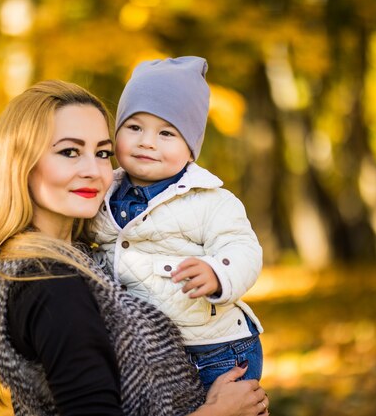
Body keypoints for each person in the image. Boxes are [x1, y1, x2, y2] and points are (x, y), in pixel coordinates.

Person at [0, 79, 270, 415]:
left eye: (102, 153)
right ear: (21, 164)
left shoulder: (74, 260)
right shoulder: (52, 285)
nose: (93, 171)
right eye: (69, 152)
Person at [89, 56, 264, 391]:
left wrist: (217, 272)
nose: (147, 142)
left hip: (213, 351)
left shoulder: (208, 200)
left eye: (167, 132)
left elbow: (243, 248)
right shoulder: (102, 189)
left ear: (191, 147)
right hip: (141, 350)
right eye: (134, 127)